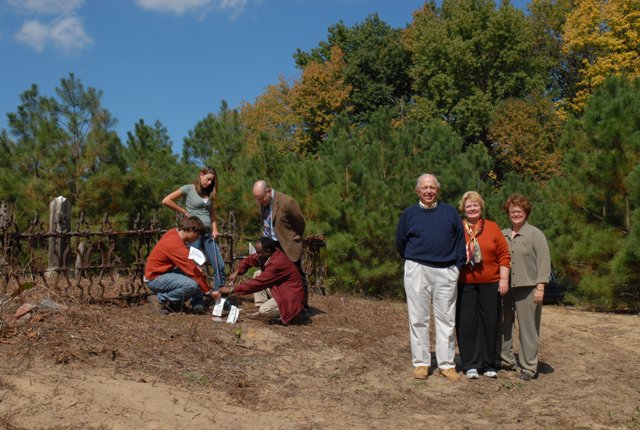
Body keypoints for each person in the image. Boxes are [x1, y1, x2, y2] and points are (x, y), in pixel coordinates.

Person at [395, 173, 466, 381]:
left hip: (446, 270)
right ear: (418, 190)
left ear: (438, 190)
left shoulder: (450, 212)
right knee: (418, 317)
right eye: (425, 188)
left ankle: (446, 364)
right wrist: (414, 260)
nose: (429, 191)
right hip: (417, 268)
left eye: (432, 187)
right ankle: (421, 363)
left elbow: (459, 241)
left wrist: (456, 267)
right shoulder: (408, 214)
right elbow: (401, 242)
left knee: (446, 319)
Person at [456, 191, 511, 379]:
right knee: (466, 324)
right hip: (465, 283)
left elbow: (504, 255)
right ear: (463, 208)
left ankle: (489, 363)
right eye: (469, 205)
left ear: (481, 207)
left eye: (475, 205)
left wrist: (504, 280)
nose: (472, 208)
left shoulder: (493, 227)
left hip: (490, 283)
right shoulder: (458, 227)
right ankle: (471, 363)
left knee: (490, 323)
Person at [499, 193, 551, 381]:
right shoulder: (502, 234)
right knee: (504, 324)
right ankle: (505, 360)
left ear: (526, 212)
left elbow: (544, 262)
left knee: (528, 328)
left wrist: (540, 286)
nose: (515, 214)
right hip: (505, 288)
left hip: (528, 288)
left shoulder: (535, 234)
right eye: (512, 211)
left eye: (519, 211)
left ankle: (529, 366)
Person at [162, 167, 226, 292]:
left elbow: (212, 214)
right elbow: (166, 200)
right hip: (193, 234)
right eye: (208, 179)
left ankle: (221, 299)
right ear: (201, 175)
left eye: (211, 182)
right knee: (192, 266)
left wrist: (215, 229)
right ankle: (196, 299)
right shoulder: (188, 188)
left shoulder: (208, 194)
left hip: (208, 235)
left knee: (219, 265)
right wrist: (184, 211)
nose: (209, 183)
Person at [219, 237, 304, 325]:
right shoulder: (267, 254)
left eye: (259, 252)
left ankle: (286, 315)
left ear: (267, 251)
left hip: (291, 297)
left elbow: (258, 283)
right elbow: (249, 259)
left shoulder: (277, 262)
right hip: (282, 290)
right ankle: (261, 309)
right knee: (257, 273)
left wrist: (232, 289)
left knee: (265, 311)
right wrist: (237, 272)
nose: (257, 254)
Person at [144, 216, 220, 314]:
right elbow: (192, 271)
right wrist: (209, 291)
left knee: (194, 274)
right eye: (197, 235)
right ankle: (160, 299)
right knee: (191, 285)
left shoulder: (174, 233)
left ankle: (174, 303)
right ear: (191, 230)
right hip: (155, 278)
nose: (197, 238)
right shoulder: (176, 244)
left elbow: (189, 266)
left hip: (161, 274)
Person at [252, 180, 308, 308]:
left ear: (269, 191)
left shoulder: (287, 202)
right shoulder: (262, 201)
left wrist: (292, 238)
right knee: (270, 273)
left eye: (260, 198)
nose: (258, 202)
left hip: (287, 244)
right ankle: (276, 302)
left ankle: (303, 307)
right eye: (256, 199)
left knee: (297, 275)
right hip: (272, 245)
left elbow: (300, 223)